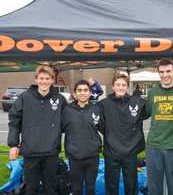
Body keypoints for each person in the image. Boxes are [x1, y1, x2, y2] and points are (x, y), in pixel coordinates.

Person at [7, 65, 67, 195]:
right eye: (41, 78)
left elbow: (69, 121)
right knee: (31, 188)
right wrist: (13, 145)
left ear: (52, 80)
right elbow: (14, 122)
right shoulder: (24, 97)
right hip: (30, 152)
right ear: (36, 79)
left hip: (51, 152)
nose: (44, 81)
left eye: (47, 78)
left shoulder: (60, 99)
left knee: (50, 188)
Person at [145, 58, 173, 195]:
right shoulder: (153, 92)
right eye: (162, 72)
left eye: (168, 71)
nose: (165, 75)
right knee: (154, 186)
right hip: (153, 146)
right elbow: (146, 113)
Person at [99, 73, 146, 195]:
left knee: (131, 185)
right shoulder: (103, 104)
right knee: (111, 185)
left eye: (123, 85)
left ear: (127, 87)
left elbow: (150, 113)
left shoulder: (138, 103)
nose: (120, 87)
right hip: (111, 152)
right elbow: (99, 125)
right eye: (118, 85)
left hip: (130, 152)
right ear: (113, 87)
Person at [62, 80, 103, 195]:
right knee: (76, 189)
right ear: (74, 94)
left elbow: (104, 128)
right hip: (74, 156)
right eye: (79, 90)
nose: (82, 93)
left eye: (85, 90)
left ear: (90, 93)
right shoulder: (67, 110)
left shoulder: (97, 109)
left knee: (90, 189)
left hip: (92, 155)